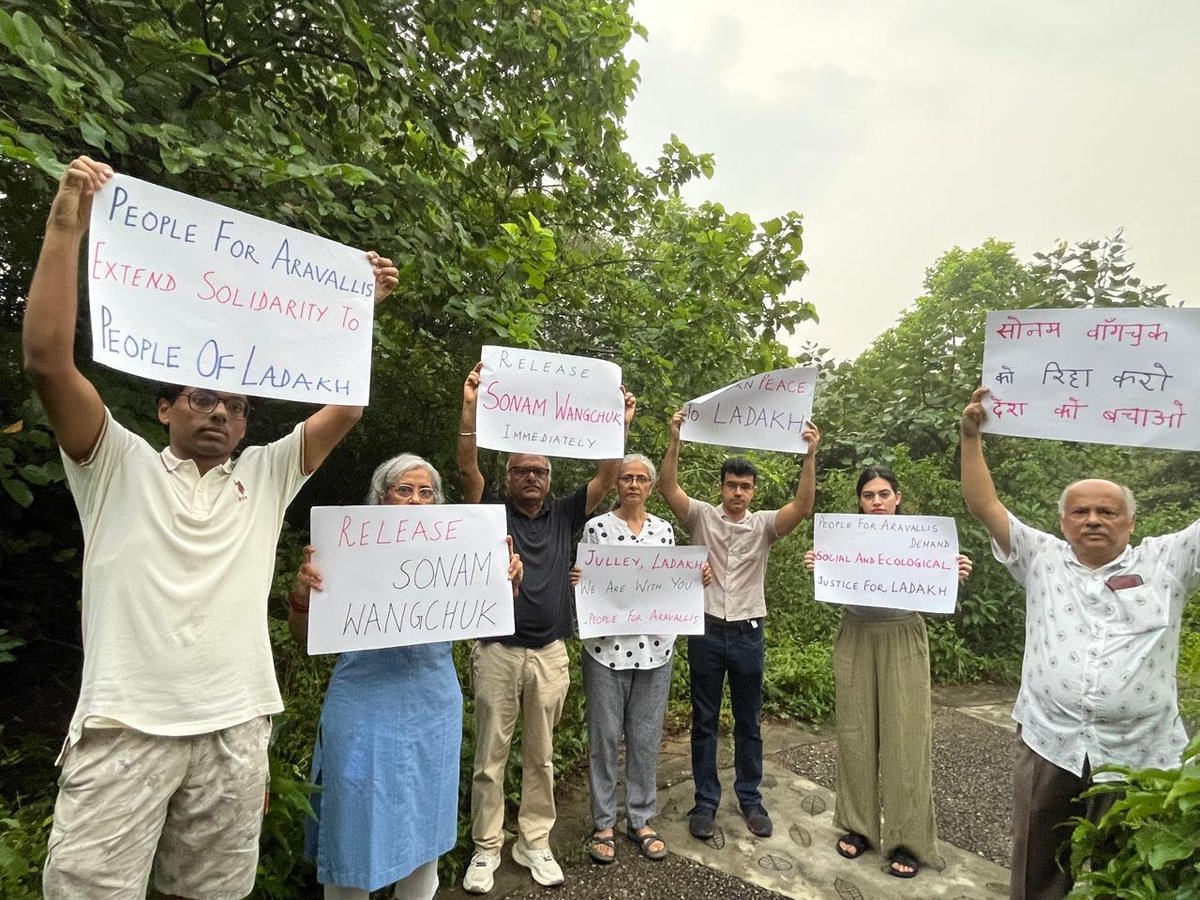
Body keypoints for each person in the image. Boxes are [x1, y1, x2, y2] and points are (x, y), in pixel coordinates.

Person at [24, 156, 397, 900]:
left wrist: (357, 303)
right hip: (123, 729)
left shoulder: (266, 476)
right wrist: (67, 220)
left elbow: (347, 407)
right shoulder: (113, 463)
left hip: (235, 728)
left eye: (236, 404)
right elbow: (46, 361)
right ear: (165, 407)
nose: (221, 412)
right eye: (201, 397)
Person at [961, 386, 1200, 900]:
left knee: (1133, 877)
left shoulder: (1169, 561)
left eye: (1107, 512)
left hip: (1142, 753)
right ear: (1063, 521)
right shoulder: (1041, 558)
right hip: (1051, 743)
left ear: (1131, 522)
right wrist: (970, 437)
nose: (1093, 519)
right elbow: (984, 503)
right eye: (1081, 511)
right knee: (1038, 871)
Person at [286, 454, 523, 900]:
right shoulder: (345, 550)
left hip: (430, 707)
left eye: (426, 492)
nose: (416, 500)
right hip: (362, 708)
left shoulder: (457, 551)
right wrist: (302, 597)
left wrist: (501, 584)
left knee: (423, 821)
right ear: (380, 499)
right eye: (404, 490)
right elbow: (305, 639)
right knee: (352, 820)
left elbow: (486, 620)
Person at [456, 362, 635, 893]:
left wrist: (616, 423)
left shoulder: (565, 515)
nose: (531, 477)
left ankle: (534, 840)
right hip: (496, 652)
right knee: (490, 757)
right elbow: (467, 468)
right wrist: (470, 405)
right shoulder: (488, 510)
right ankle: (486, 847)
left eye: (540, 471)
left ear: (551, 480)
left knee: (542, 757)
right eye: (521, 471)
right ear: (507, 478)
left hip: (550, 653)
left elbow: (606, 476)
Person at [803, 466, 972, 878]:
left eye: (882, 494)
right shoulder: (843, 539)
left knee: (906, 738)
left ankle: (907, 840)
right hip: (856, 634)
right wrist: (820, 566)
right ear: (859, 503)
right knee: (856, 733)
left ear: (897, 497)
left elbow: (937, 583)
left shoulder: (923, 540)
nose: (875, 501)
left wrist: (955, 572)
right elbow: (834, 582)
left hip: (902, 637)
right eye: (867, 495)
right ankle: (859, 827)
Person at [659, 409, 820, 840]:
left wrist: (810, 455)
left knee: (749, 721)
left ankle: (751, 798)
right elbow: (668, 487)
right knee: (705, 720)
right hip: (707, 630)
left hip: (749, 633)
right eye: (731, 485)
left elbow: (803, 506)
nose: (737, 493)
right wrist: (675, 438)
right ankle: (706, 802)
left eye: (745, 487)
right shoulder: (700, 517)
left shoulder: (765, 525)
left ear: (754, 491)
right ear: (721, 487)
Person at [573, 453, 712, 865]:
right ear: (616, 483)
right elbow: (585, 578)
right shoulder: (596, 527)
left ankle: (641, 817)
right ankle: (603, 822)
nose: (633, 484)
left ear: (652, 486)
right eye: (626, 478)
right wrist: (579, 579)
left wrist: (695, 579)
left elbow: (670, 582)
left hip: (655, 648)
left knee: (646, 738)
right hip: (605, 649)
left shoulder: (664, 530)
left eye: (641, 479)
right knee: (603, 737)